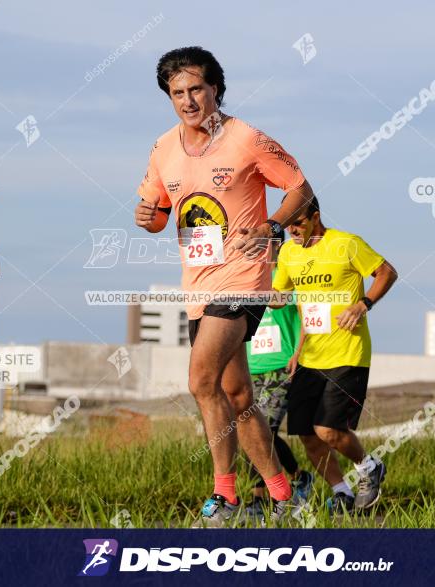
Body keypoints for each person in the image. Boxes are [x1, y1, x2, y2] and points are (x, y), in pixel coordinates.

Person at [134, 46, 316, 527]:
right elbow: (156, 215)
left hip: (243, 277)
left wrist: (275, 226)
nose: (189, 100)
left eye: (197, 89)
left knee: (200, 381)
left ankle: (226, 498)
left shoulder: (245, 138)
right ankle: (284, 495)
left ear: (215, 88)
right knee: (237, 395)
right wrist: (147, 217)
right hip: (198, 280)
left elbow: (302, 189)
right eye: (178, 93)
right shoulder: (162, 147)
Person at [273, 195, 397, 514]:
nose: (293, 231)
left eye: (298, 223)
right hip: (310, 357)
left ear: (316, 216)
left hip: (348, 353)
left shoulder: (347, 244)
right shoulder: (288, 252)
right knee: (304, 432)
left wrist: (363, 304)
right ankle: (341, 492)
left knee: (328, 430)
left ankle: (369, 467)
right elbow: (282, 298)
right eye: (287, 226)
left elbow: (386, 273)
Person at [242, 231, 313, 523]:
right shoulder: (245, 278)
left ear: (276, 245)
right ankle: (288, 482)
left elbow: (307, 315)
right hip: (250, 366)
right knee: (249, 430)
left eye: (265, 243)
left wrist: (299, 353)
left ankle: (281, 486)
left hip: (281, 365)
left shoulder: (286, 276)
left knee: (265, 429)